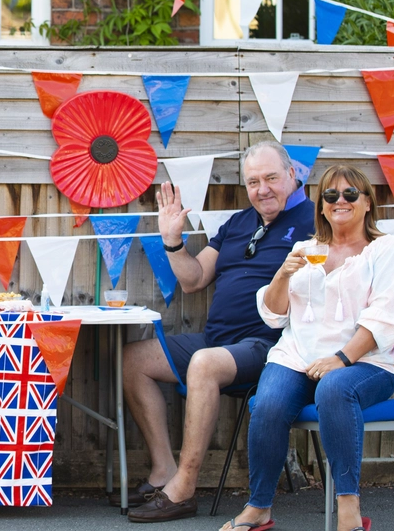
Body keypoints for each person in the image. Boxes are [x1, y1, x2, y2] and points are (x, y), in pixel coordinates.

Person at [217, 164, 394, 531]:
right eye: (331, 195)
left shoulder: (385, 251)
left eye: (351, 194)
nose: (340, 201)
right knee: (267, 402)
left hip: (365, 364)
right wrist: (282, 276)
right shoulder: (305, 250)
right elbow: (274, 315)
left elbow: (382, 319)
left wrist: (341, 359)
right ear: (321, 207)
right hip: (298, 357)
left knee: (335, 388)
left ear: (368, 203)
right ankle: (259, 508)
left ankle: (348, 508)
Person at [126, 141, 316, 522]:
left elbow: (366, 259)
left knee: (204, 364)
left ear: (292, 175)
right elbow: (194, 279)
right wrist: (172, 240)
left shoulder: (318, 220)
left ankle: (184, 488)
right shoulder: (239, 223)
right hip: (219, 340)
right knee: (133, 359)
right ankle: (164, 469)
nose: (262, 189)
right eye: (253, 182)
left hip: (273, 346)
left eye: (271, 178)